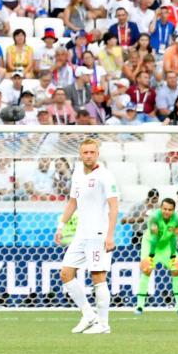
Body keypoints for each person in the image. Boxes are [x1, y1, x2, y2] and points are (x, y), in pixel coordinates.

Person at [54, 139, 119, 335]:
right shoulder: (77, 174)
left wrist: (110, 235)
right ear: (80, 154)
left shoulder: (105, 176)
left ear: (97, 153)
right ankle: (89, 315)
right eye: (85, 152)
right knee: (66, 273)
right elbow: (72, 202)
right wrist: (61, 226)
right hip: (81, 234)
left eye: (92, 152)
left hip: (98, 234)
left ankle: (104, 324)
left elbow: (114, 207)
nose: (88, 155)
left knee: (97, 277)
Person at [137, 198, 178, 316]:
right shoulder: (154, 218)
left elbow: (174, 238)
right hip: (150, 245)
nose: (167, 212)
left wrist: (174, 254)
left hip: (166, 246)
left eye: (170, 210)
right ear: (160, 208)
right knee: (147, 270)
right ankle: (139, 306)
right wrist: (151, 256)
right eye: (164, 209)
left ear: (174, 210)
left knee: (176, 270)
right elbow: (154, 239)